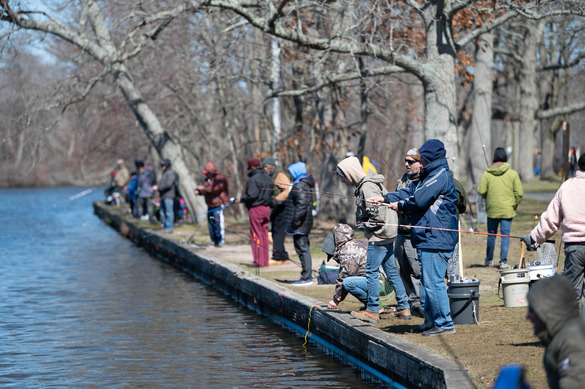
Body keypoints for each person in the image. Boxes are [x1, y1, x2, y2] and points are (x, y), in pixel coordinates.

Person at [368, 139, 458, 336]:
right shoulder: (428, 176)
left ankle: (444, 323)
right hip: (427, 237)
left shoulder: (439, 175)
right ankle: (431, 320)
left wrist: (399, 206)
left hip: (437, 238)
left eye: (423, 158)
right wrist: (385, 198)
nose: (420, 162)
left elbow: (418, 200)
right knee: (427, 283)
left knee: (434, 282)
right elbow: (409, 191)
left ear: (431, 158)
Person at [336, 156, 410, 324]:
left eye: (342, 176)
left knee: (371, 272)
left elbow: (377, 212)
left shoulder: (367, 187)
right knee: (391, 270)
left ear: (350, 174)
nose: (342, 180)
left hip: (379, 235)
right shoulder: (370, 183)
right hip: (388, 233)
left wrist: (368, 224)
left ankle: (373, 310)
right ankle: (404, 307)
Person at [521, 154, 585, 312]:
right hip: (574, 246)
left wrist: (534, 237)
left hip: (574, 248)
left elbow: (551, 219)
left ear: (578, 166)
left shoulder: (567, 187)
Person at [526, 275, 585, 388]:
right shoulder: (562, 336)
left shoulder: (574, 343)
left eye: (533, 310)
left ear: (550, 311)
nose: (528, 316)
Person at [478, 147, 523, 269]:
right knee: (505, 236)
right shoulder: (513, 173)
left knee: (491, 235)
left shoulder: (487, 173)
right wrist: (514, 205)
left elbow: (481, 190)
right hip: (508, 210)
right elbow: (519, 193)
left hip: (492, 210)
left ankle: (489, 260)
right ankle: (503, 261)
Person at [394, 148, 422, 315]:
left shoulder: (424, 181)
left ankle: (421, 304)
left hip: (414, 234)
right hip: (400, 233)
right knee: (400, 268)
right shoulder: (401, 180)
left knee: (416, 270)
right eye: (405, 161)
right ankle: (411, 301)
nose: (406, 164)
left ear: (419, 163)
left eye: (410, 162)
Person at [236, 158, 273, 266]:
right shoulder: (267, 177)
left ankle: (258, 262)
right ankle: (265, 261)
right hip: (266, 209)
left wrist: (241, 199)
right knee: (264, 234)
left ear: (252, 167)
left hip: (256, 209)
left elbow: (252, 195)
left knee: (256, 235)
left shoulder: (253, 178)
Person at [323, 224, 368, 309]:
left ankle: (372, 305)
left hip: (378, 284)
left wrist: (336, 300)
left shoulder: (347, 252)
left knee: (347, 283)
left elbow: (344, 277)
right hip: (378, 280)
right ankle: (372, 304)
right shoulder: (357, 243)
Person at [284, 162, 315, 285]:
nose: (290, 175)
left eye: (291, 173)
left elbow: (302, 204)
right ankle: (307, 273)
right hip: (303, 222)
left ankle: (306, 277)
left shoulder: (299, 185)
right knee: (302, 248)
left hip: (301, 223)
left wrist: (297, 219)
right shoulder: (303, 184)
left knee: (302, 248)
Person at [262, 156, 291, 264]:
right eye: (263, 167)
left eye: (266, 166)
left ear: (272, 166)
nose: (265, 169)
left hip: (283, 207)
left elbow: (287, 190)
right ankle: (283, 256)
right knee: (275, 231)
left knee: (279, 232)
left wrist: (276, 199)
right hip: (276, 207)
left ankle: (277, 257)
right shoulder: (272, 175)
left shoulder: (280, 174)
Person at [195, 162, 230, 247]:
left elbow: (215, 189)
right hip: (210, 206)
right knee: (211, 222)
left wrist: (203, 188)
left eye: (208, 172)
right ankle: (213, 240)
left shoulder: (220, 177)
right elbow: (203, 187)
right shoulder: (207, 179)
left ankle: (220, 240)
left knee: (218, 222)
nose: (207, 174)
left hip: (218, 205)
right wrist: (198, 191)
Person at [157, 158, 179, 233]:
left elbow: (168, 184)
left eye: (163, 165)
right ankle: (165, 226)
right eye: (161, 165)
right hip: (163, 195)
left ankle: (169, 228)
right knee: (162, 212)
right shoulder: (164, 173)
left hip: (168, 195)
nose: (162, 166)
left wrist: (158, 187)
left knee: (169, 212)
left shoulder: (171, 173)